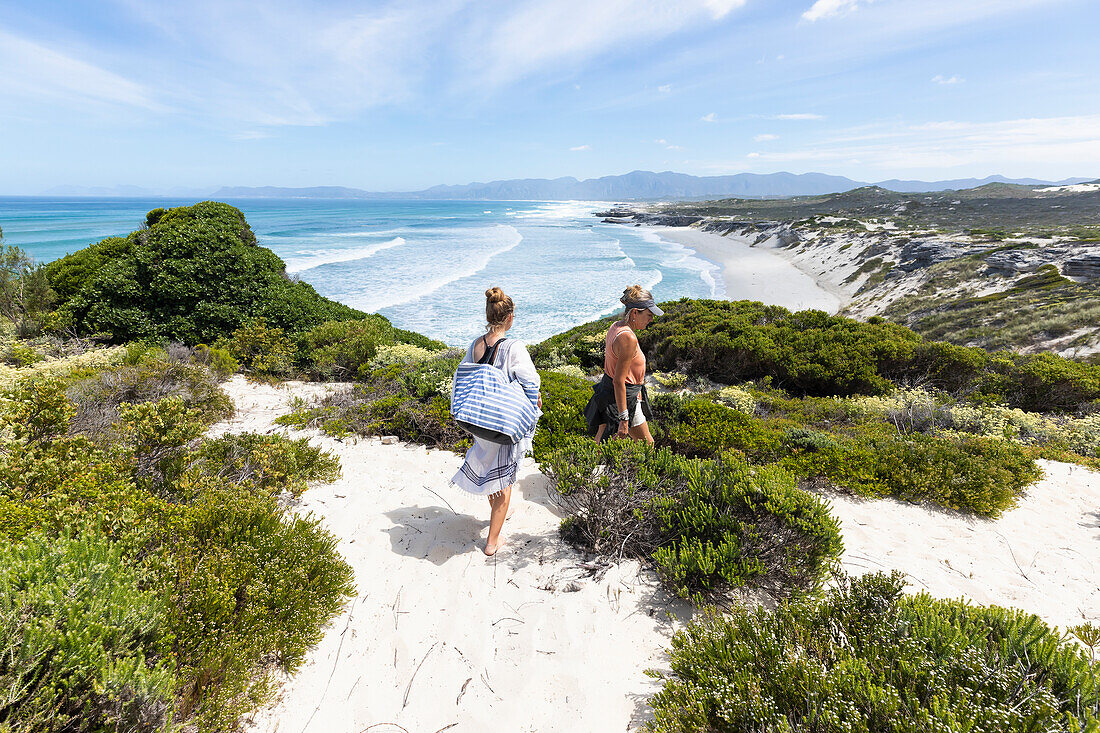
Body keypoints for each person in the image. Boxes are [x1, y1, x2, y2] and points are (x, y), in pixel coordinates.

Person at [451, 287, 541, 556]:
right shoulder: (514, 347)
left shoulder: (476, 344)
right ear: (510, 318)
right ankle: (492, 541)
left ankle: (500, 512)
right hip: (501, 421)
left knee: (491, 467)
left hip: (480, 418)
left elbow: (463, 375)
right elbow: (530, 381)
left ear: (489, 314)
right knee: (503, 478)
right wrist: (534, 402)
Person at [586, 285, 662, 444]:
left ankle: (588, 467)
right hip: (623, 399)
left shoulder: (616, 326)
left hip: (609, 393)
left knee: (601, 443)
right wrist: (624, 418)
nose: (651, 320)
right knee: (648, 445)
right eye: (649, 315)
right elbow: (619, 380)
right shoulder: (628, 338)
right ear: (635, 312)